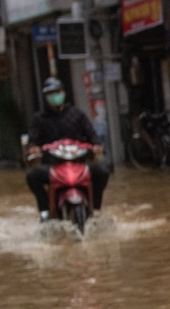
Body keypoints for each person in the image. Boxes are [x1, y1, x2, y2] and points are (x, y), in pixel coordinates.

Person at [25, 77, 110, 219]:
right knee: (32, 176)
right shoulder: (39, 119)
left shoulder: (77, 115)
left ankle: (95, 208)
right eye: (50, 94)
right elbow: (33, 140)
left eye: (56, 92)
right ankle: (45, 211)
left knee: (102, 172)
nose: (54, 96)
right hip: (53, 166)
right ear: (46, 97)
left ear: (63, 93)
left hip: (79, 163)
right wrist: (33, 148)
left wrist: (96, 145)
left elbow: (91, 134)